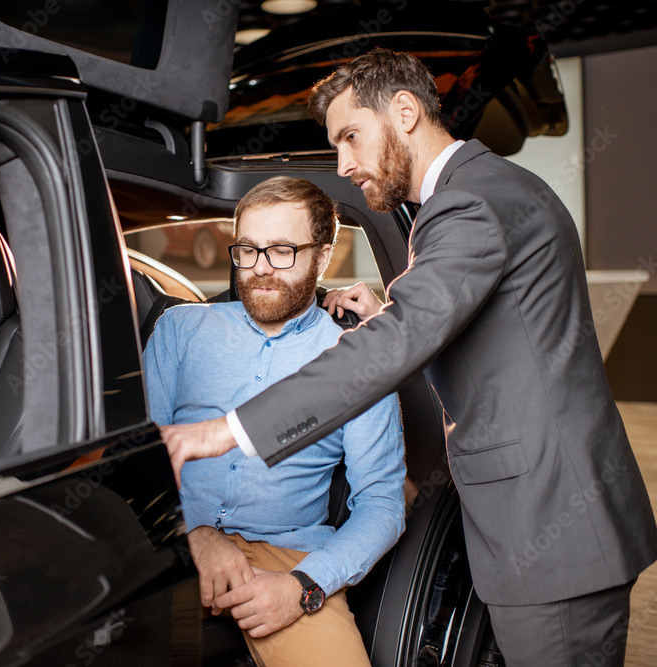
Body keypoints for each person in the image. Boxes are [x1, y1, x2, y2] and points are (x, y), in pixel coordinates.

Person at [160, 48, 657, 667]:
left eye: (350, 138)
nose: (343, 165)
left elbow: (395, 349)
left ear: (403, 111)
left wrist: (230, 429)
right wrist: (387, 313)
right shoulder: (484, 190)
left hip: (550, 529)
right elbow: (482, 333)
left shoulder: (467, 202)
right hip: (560, 514)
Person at [144, 176, 406, 666]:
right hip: (168, 543)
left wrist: (303, 587)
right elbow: (137, 457)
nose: (261, 270)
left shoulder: (358, 359)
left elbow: (382, 506)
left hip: (289, 560)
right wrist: (193, 533)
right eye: (248, 249)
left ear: (323, 256)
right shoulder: (181, 329)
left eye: (282, 250)